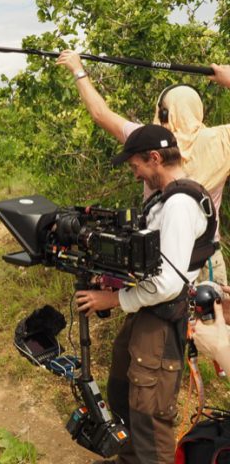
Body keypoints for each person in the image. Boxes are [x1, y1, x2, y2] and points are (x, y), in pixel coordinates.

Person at [74, 125, 215, 464]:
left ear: (154, 158)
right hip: (147, 311)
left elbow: (168, 283)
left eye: (135, 164)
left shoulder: (180, 204)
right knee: (123, 392)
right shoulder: (166, 198)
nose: (135, 173)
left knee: (149, 412)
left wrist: (113, 300)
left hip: (163, 314)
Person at [56, 50, 230, 285]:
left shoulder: (148, 140)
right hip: (207, 258)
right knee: (213, 321)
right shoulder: (222, 140)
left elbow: (100, 114)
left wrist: (78, 70)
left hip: (160, 258)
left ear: (164, 111)